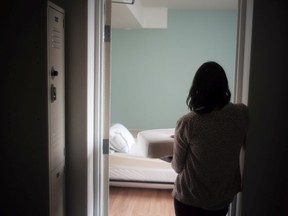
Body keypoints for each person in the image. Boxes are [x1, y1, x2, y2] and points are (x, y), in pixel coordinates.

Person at [171, 61, 249, 216]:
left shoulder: (188, 122)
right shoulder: (242, 113)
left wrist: (173, 152)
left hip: (190, 201)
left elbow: (177, 167)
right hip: (222, 200)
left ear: (197, 89)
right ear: (224, 87)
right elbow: (219, 138)